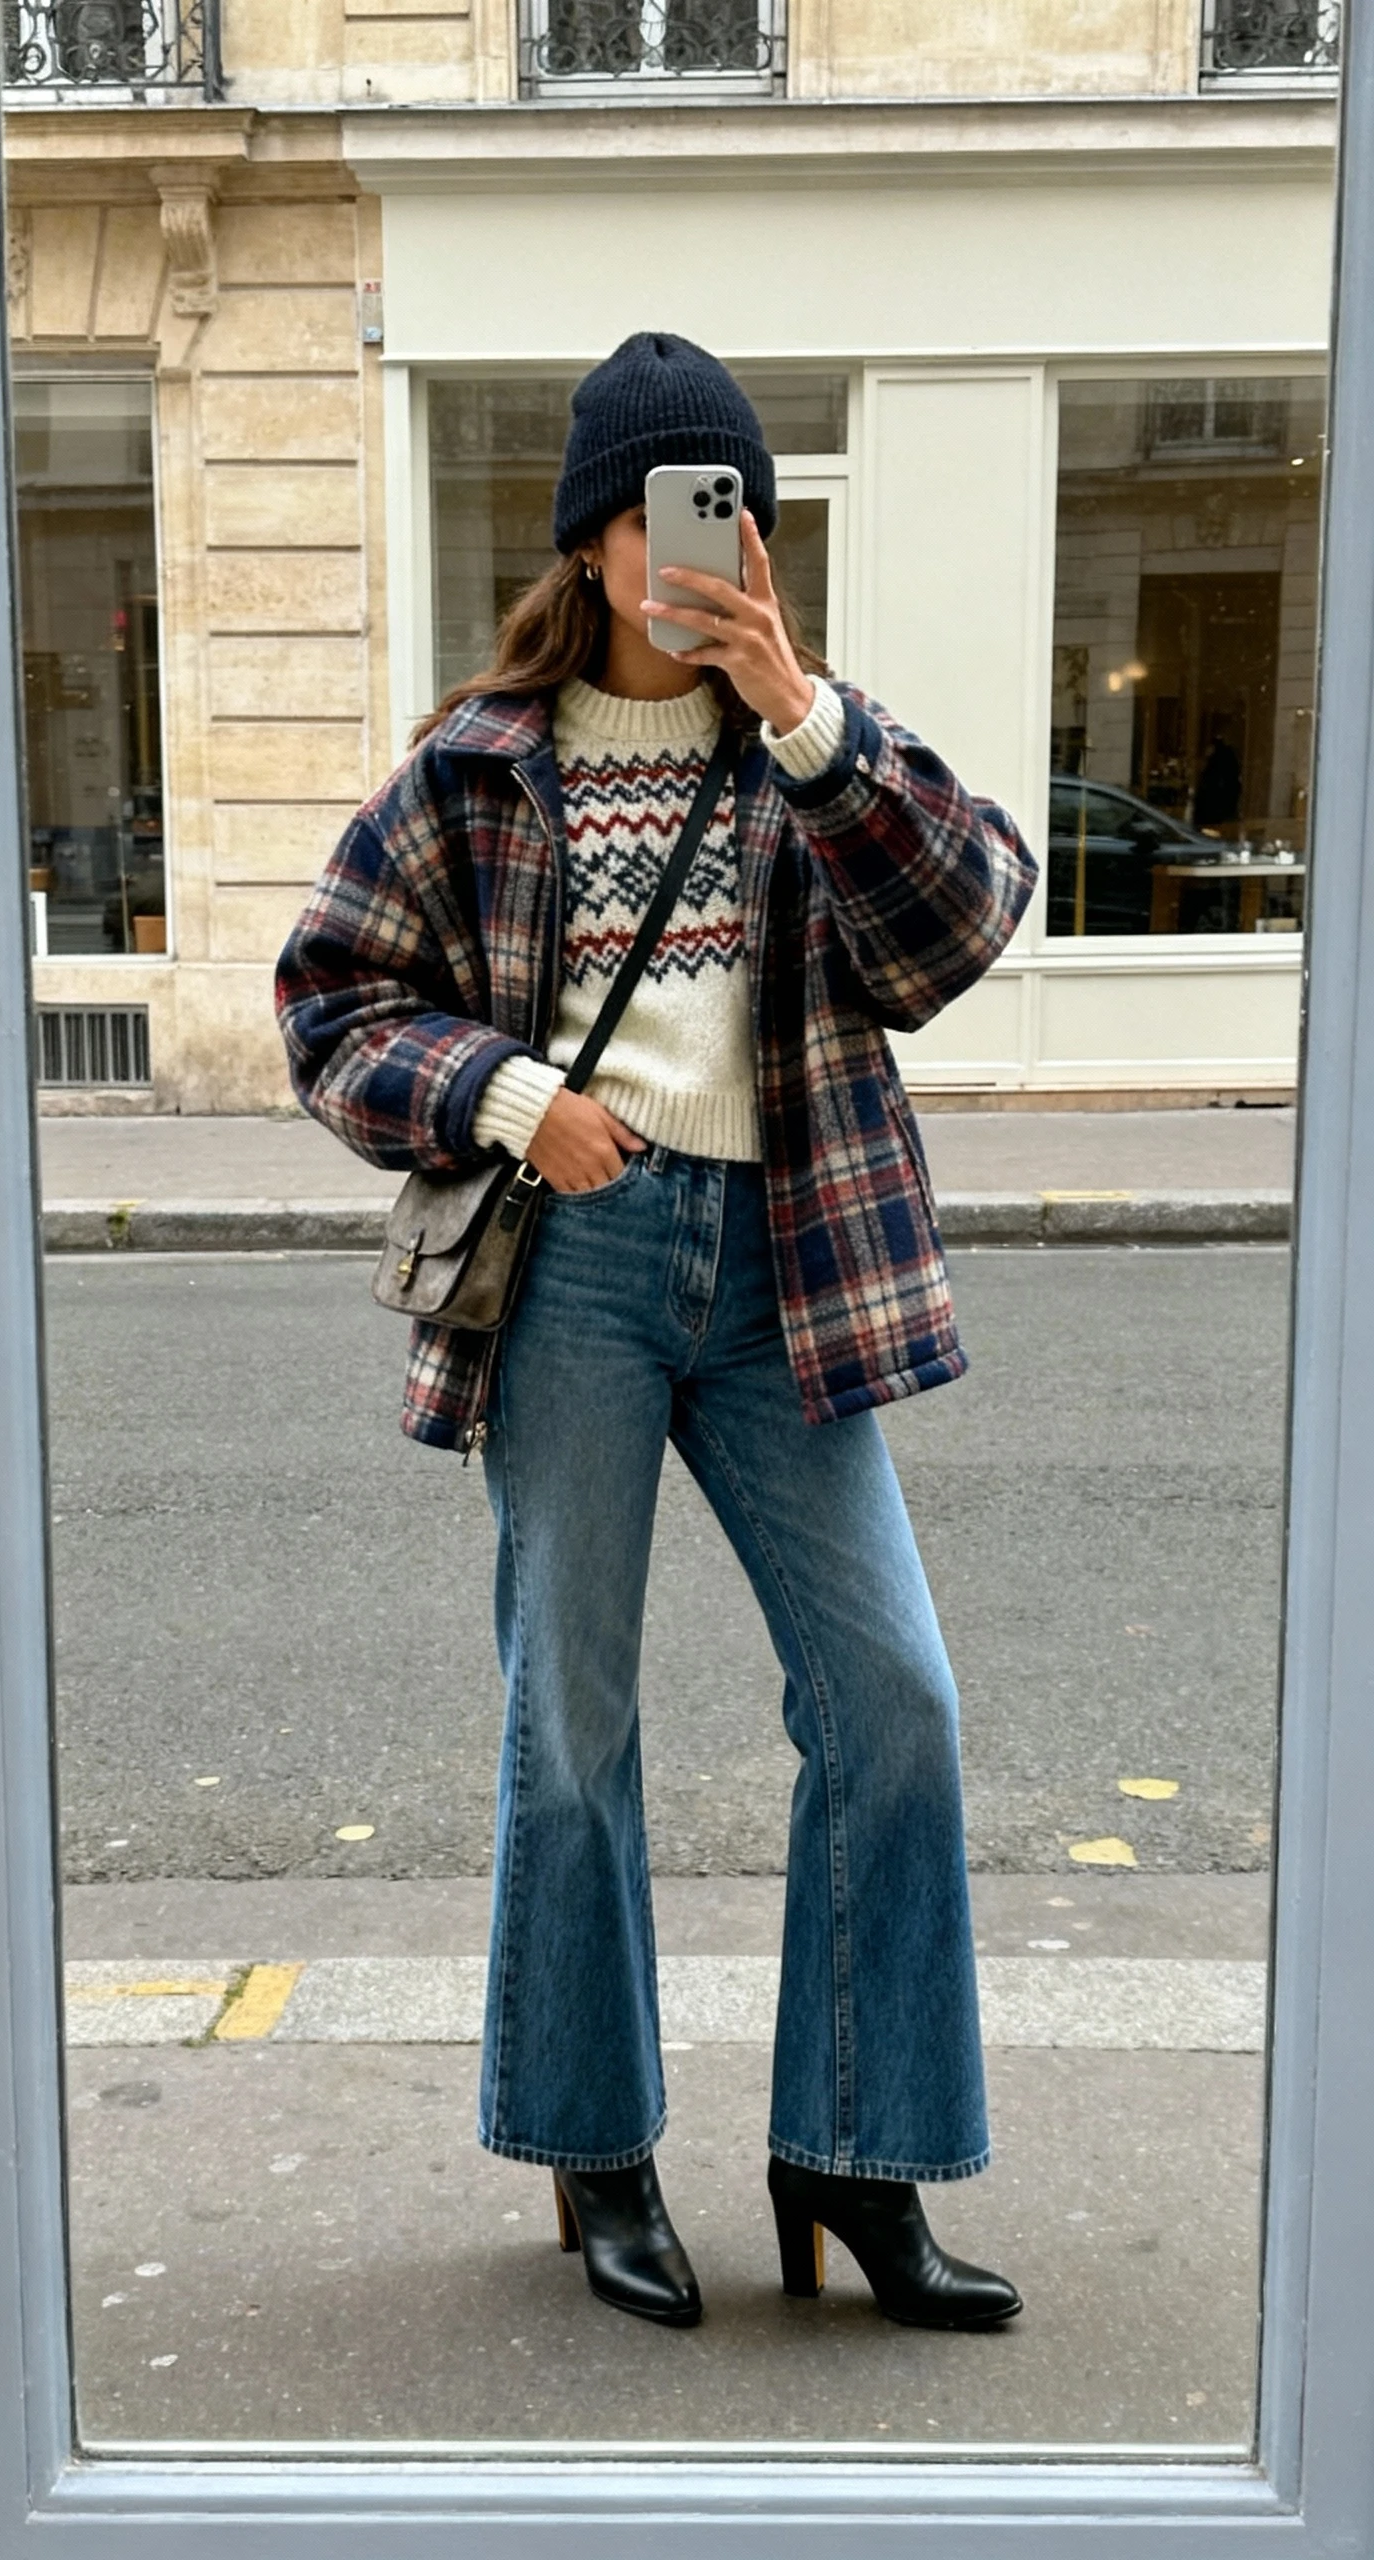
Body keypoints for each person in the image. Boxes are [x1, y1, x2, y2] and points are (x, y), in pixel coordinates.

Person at [276, 332, 1037, 2336]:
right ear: (593, 542)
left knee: (894, 1700)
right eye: (667, 510)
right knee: (575, 1721)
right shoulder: (476, 769)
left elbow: (962, 926)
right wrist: (509, 1094)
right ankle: (595, 2143)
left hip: (788, 1262)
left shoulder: (811, 749)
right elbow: (329, 1006)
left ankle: (853, 2154)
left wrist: (805, 716)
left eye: (735, 511)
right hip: (579, 1267)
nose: (706, 546)